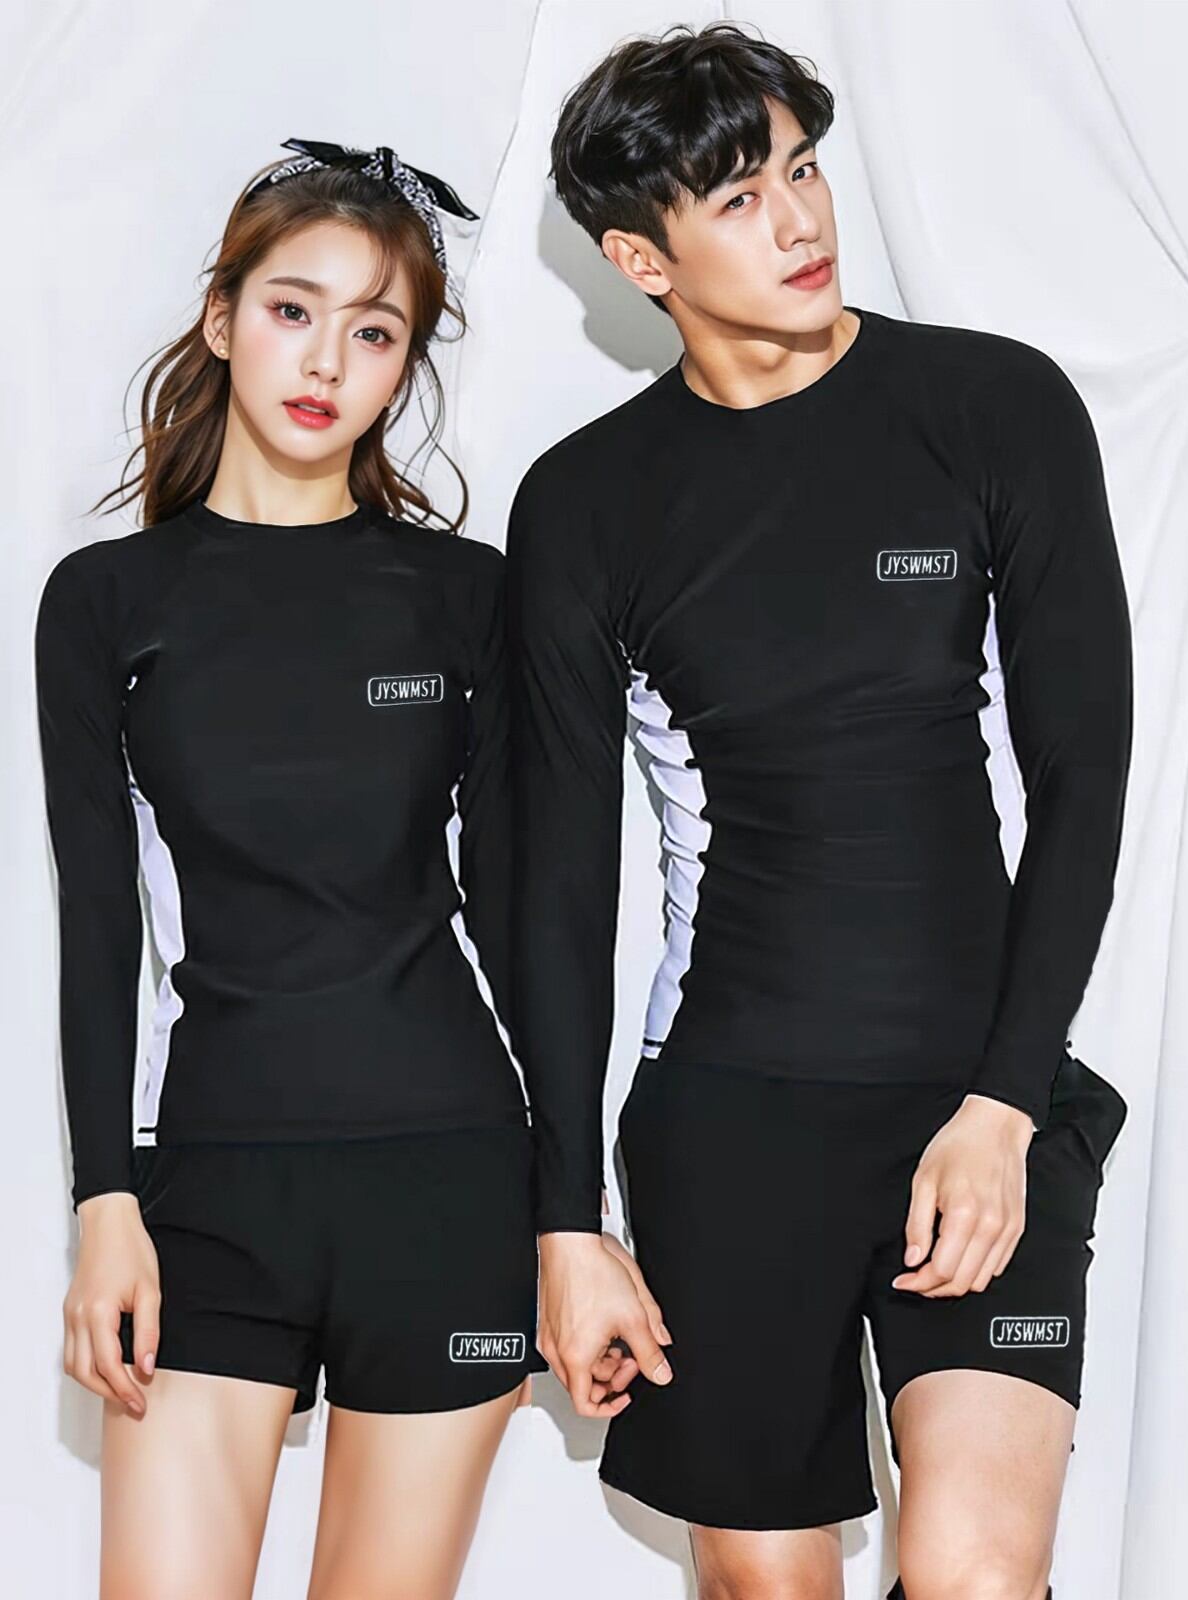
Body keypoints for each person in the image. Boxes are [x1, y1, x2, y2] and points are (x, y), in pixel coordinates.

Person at [506, 23, 1132, 1600]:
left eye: (799, 168)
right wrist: (565, 1220)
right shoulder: (586, 505)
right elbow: (562, 884)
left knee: (978, 1572)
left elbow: (1084, 776)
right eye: (737, 198)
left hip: (978, 1098)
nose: (799, 220)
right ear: (640, 260)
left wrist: (1003, 1104)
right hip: (730, 1124)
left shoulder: (993, 408)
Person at [34, 136, 545, 1600]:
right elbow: (97, 923)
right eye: (292, 309)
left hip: (448, 1181)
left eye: (375, 332)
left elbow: (530, 924)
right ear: (222, 317)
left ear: (405, 366)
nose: (327, 360)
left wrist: (576, 1210)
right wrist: (104, 1204)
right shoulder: (106, 602)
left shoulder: (467, 596)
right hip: (211, 1190)